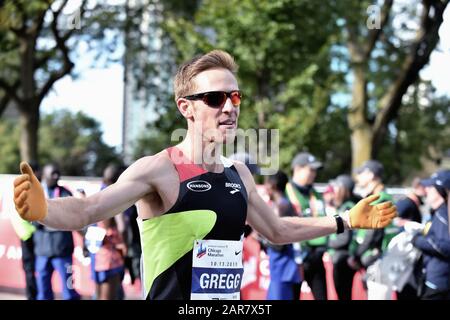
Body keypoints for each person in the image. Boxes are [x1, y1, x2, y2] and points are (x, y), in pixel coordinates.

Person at [13, 50, 397, 300]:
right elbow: (87, 210)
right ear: (187, 108)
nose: (229, 107)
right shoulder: (159, 170)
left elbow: (278, 230)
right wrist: (42, 209)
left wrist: (345, 220)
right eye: (215, 98)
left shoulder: (239, 174)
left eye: (235, 97)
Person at [31, 163, 80, 300]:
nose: (57, 176)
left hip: (62, 251)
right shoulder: (36, 193)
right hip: (42, 252)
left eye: (58, 173)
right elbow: (33, 220)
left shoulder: (66, 193)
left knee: (69, 291)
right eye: (53, 173)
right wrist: (55, 222)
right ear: (44, 175)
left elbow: (70, 219)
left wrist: (48, 221)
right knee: (43, 292)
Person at [285, 152, 328, 300]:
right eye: (311, 170)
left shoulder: (316, 194)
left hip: (315, 256)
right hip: (292, 257)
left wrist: (321, 248)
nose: (314, 174)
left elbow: (323, 222)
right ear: (297, 169)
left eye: (315, 170)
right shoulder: (284, 191)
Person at [85, 164, 127, 300]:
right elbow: (122, 227)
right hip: (110, 255)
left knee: (98, 295)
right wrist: (124, 244)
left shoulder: (96, 195)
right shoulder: (114, 197)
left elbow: (83, 226)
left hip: (96, 253)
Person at [264, 171, 302, 300]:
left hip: (283, 267)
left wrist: (261, 238)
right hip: (279, 267)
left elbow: (280, 241)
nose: (265, 187)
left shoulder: (282, 206)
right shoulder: (279, 205)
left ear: (272, 185)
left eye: (266, 183)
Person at [412, 170, 450, 300]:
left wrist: (417, 240)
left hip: (439, 282)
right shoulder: (438, 213)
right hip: (433, 278)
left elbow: (447, 246)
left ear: (440, 191)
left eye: (430, 187)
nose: (425, 189)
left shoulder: (443, 215)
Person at [327, 175, 361, 300]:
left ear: (343, 189)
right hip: (344, 257)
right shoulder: (347, 205)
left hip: (343, 258)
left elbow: (344, 238)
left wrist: (327, 244)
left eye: (336, 186)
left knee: (343, 294)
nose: (333, 189)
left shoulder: (348, 207)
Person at [10, 162, 40, 300]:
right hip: (29, 236)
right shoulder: (27, 186)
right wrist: (29, 232)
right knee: (30, 270)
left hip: (29, 235)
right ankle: (32, 296)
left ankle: (34, 295)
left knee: (33, 269)